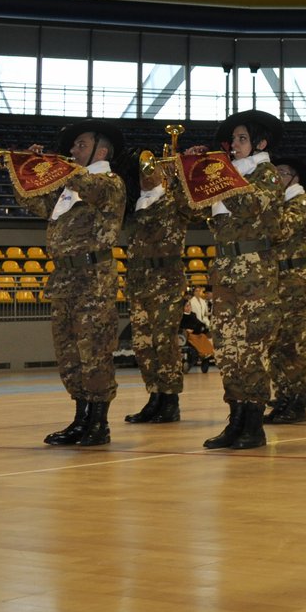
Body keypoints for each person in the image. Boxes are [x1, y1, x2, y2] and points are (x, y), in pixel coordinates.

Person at [13, 120, 127, 447]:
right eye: (73, 146)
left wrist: (61, 166)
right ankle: (81, 419)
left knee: (94, 352)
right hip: (64, 279)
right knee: (69, 354)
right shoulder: (68, 188)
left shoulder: (109, 182)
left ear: (100, 151)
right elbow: (30, 199)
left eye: (80, 145)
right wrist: (30, 167)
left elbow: (93, 189)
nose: (72, 151)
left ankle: (98, 423)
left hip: (92, 278)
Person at [192, 110, 285, 450]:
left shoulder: (267, 174)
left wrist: (217, 175)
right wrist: (191, 173)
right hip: (227, 272)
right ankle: (236, 420)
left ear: (260, 143)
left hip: (255, 272)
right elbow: (191, 209)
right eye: (232, 140)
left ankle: (253, 425)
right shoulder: (229, 175)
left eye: (242, 139)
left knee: (252, 349)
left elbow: (248, 204)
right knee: (229, 350)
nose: (234, 145)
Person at [122, 152, 195, 424]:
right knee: (143, 345)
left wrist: (180, 170)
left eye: (150, 169)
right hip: (139, 281)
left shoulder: (172, 201)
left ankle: (170, 400)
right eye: (141, 171)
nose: (145, 174)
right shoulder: (134, 205)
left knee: (165, 342)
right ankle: (154, 396)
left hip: (167, 279)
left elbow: (193, 204)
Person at [263, 155, 306, 423]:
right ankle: (284, 397)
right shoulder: (281, 203)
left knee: (293, 345)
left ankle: (296, 402)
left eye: (283, 172)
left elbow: (280, 230)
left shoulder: (302, 201)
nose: (277, 176)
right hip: (279, 280)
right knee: (278, 345)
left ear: (295, 178)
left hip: (297, 281)